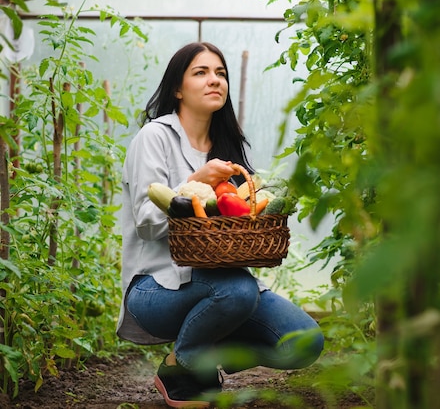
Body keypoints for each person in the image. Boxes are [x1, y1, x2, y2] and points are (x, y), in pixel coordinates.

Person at [117, 42, 324, 408]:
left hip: (227, 285)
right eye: (201, 72)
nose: (215, 80)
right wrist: (197, 180)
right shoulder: (154, 138)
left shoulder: (228, 148)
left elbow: (242, 220)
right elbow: (148, 223)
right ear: (178, 89)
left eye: (221, 73)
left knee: (305, 341)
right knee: (238, 291)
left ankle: (189, 360)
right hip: (155, 289)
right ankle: (185, 365)